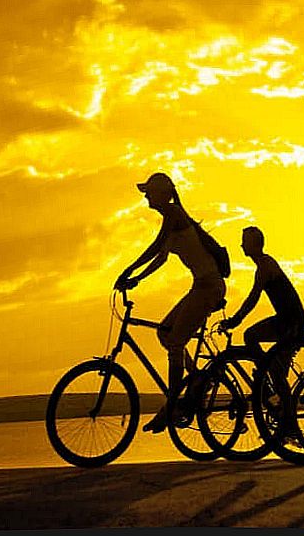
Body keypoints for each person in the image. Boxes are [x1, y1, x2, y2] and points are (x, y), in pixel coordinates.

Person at [116, 172, 228, 433]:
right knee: (165, 333)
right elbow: (161, 258)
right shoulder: (174, 218)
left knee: (175, 342)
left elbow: (155, 247)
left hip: (209, 288)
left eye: (149, 192)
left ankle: (171, 405)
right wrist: (136, 279)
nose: (146, 196)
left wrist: (128, 271)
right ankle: (198, 378)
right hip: (200, 287)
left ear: (162, 194)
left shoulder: (174, 213)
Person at [221, 226, 304, 357]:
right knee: (275, 367)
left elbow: (253, 298)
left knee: (250, 336)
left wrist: (236, 319)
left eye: (245, 242)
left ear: (254, 244)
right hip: (288, 320)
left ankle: (263, 370)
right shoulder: (264, 264)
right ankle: (265, 370)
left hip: (292, 323)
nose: (241, 245)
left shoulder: (265, 267)